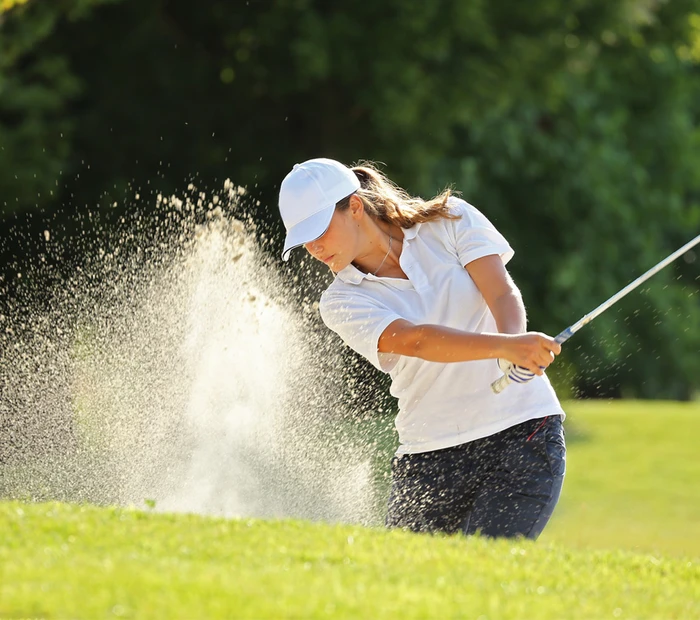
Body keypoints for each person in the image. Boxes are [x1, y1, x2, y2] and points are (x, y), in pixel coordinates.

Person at [278, 157, 566, 539]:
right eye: (304, 240)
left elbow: (500, 292)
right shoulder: (340, 300)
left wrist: (512, 345)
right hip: (428, 457)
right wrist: (506, 346)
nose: (314, 248)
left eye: (319, 231)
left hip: (521, 436)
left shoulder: (450, 220)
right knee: (406, 588)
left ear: (356, 207)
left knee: (487, 575)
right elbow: (416, 340)